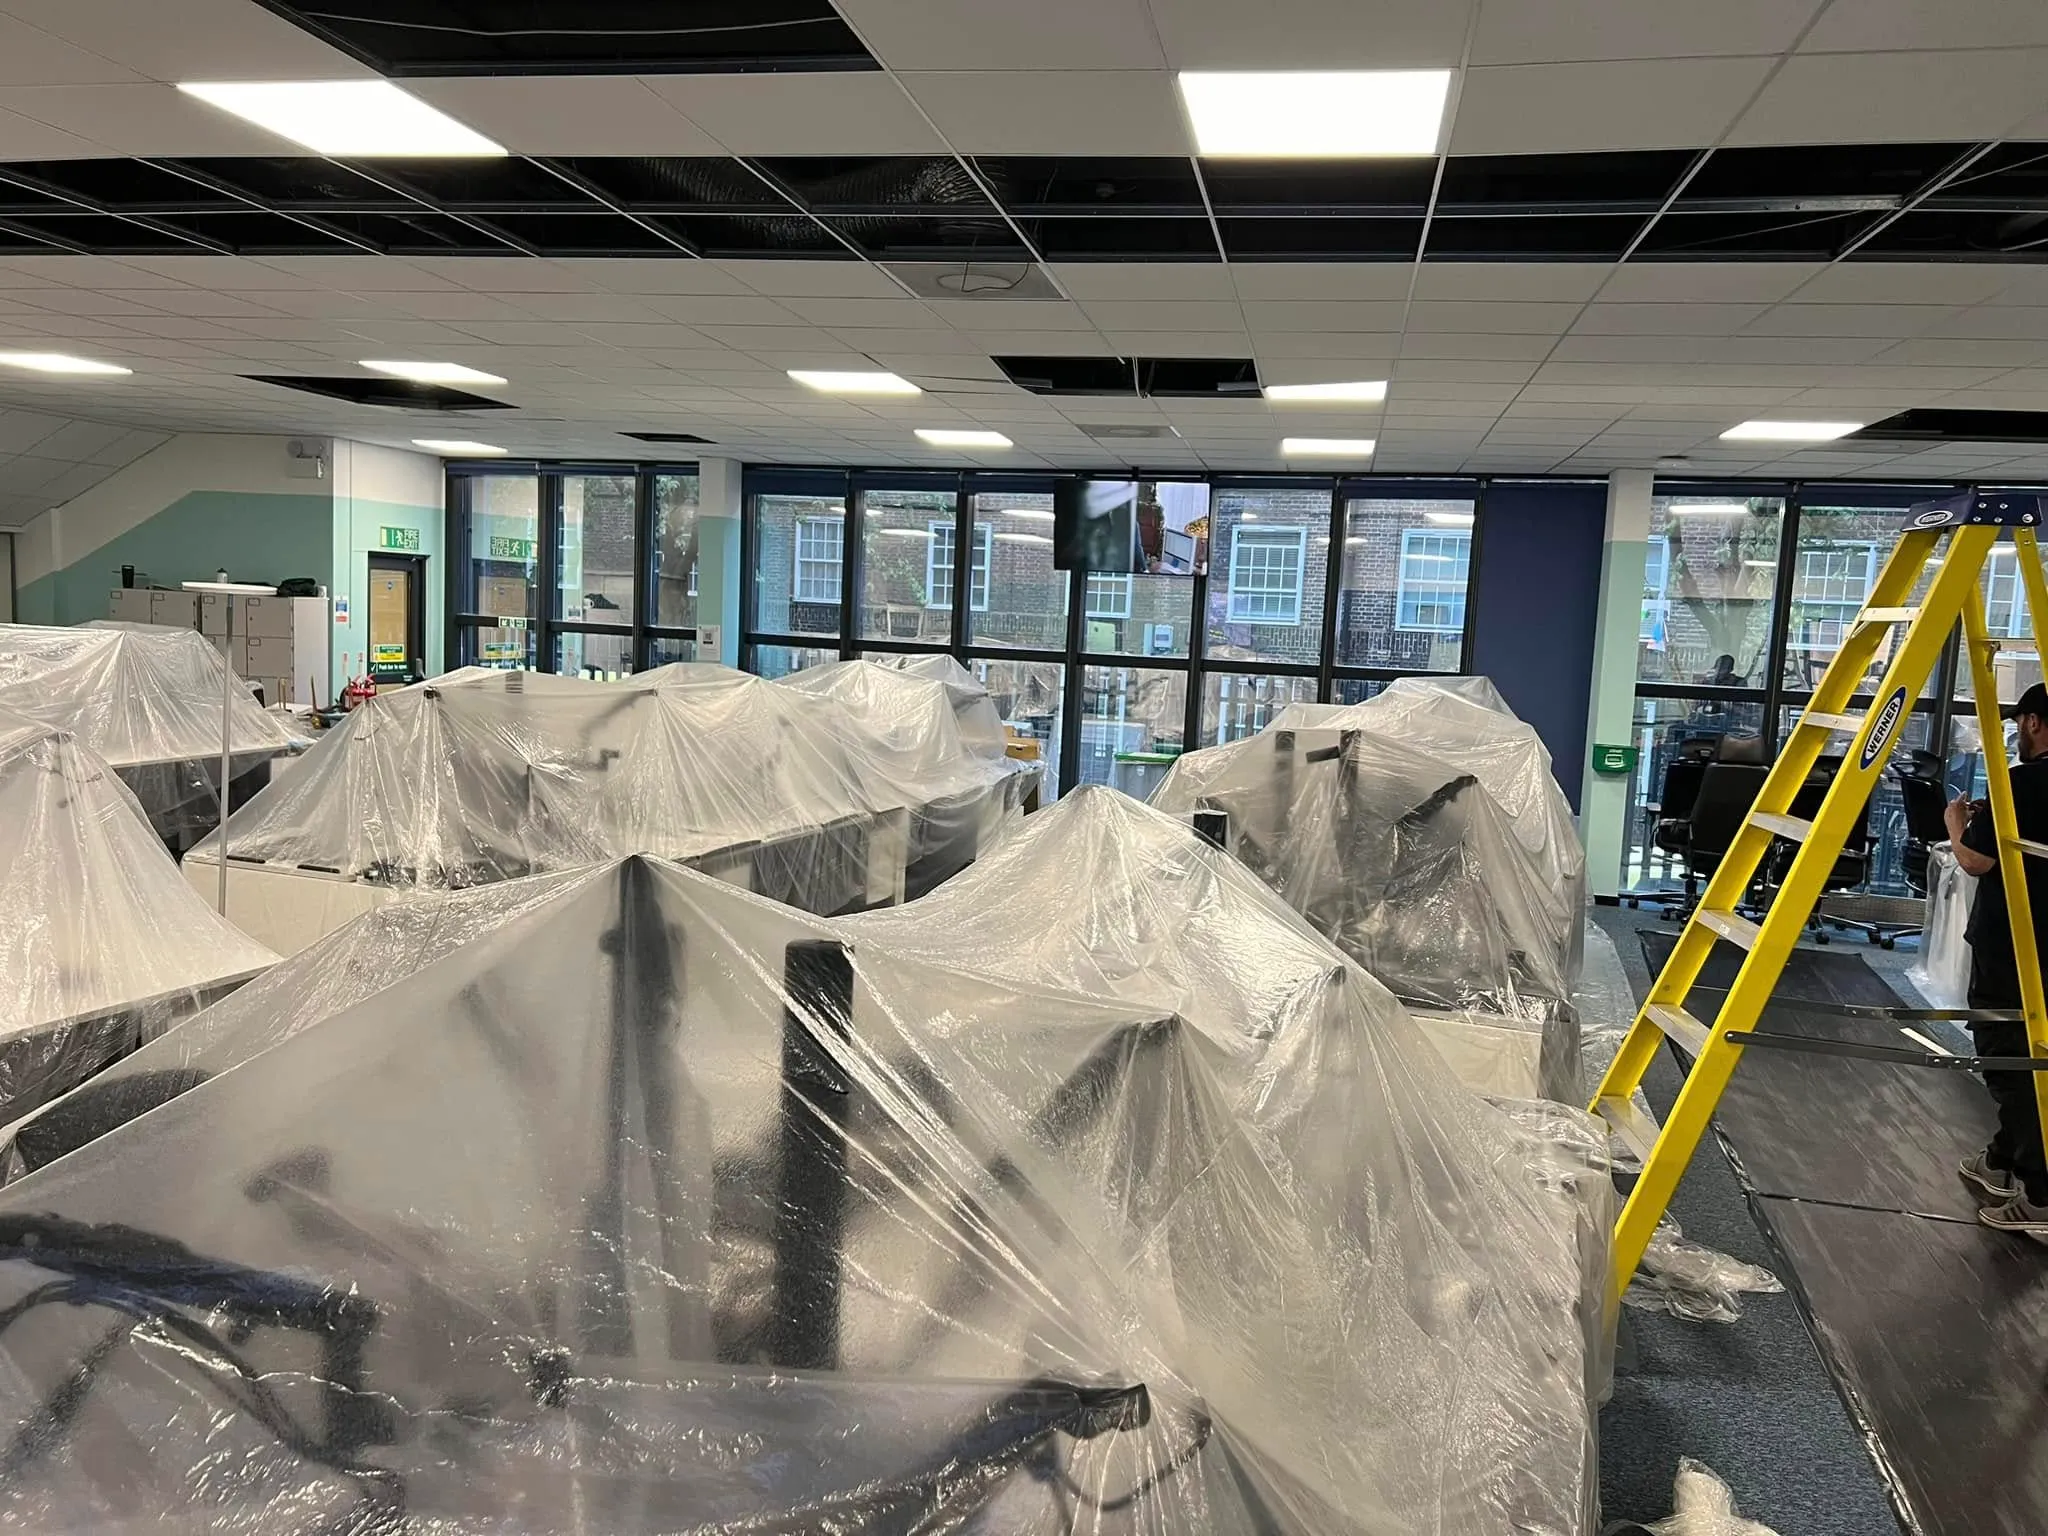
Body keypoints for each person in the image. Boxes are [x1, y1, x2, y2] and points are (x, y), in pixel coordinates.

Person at [1947, 682, 2048, 1238]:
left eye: (2019, 724)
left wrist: (1956, 822)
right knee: (2032, 1052)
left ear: (2033, 722)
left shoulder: (2023, 784)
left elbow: (1975, 861)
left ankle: (2037, 1192)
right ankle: (2001, 1159)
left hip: (2013, 942)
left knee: (2011, 1059)